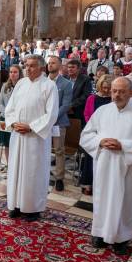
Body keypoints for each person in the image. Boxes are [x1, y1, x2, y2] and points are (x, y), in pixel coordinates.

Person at [79, 77, 132, 255]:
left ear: (131, 93)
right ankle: (100, 233)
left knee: (125, 200)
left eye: (121, 91)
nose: (117, 95)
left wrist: (123, 145)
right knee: (102, 198)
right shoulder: (102, 111)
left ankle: (122, 237)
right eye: (114, 91)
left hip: (127, 167)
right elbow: (86, 135)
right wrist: (100, 141)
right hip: (104, 164)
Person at [4, 55, 59, 222]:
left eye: (32, 66)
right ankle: (15, 204)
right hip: (18, 135)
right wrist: (13, 123)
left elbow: (51, 114)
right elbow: (10, 108)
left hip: (35, 138)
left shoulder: (49, 86)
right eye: (26, 66)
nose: (28, 69)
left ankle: (32, 208)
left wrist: (31, 127)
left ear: (41, 68)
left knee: (33, 172)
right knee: (16, 169)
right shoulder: (21, 84)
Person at [80, 74, 114, 195]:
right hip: (94, 133)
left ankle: (102, 185)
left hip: (109, 133)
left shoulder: (113, 100)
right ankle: (89, 184)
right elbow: (87, 114)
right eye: (104, 87)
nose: (106, 90)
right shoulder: (92, 98)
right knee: (90, 159)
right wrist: (95, 128)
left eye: (109, 88)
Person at [48, 56, 73, 192]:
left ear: (60, 66)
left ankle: (59, 178)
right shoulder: (43, 82)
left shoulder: (66, 84)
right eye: (49, 63)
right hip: (42, 123)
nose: (50, 65)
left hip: (58, 122)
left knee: (59, 150)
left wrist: (52, 117)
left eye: (53, 63)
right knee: (42, 148)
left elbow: (66, 104)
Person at [0, 65, 22, 167]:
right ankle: (9, 165)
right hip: (4, 118)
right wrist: (6, 114)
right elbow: (0, 103)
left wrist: (14, 116)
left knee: (15, 143)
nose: (13, 74)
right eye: (11, 72)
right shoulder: (5, 86)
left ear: (20, 73)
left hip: (17, 119)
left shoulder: (23, 86)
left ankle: (16, 166)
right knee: (6, 143)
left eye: (15, 72)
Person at [66, 59, 91, 124]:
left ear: (78, 69)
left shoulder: (85, 79)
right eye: (69, 67)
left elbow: (85, 96)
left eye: (73, 67)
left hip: (77, 111)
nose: (70, 69)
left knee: (75, 132)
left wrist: (71, 105)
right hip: (64, 111)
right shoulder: (64, 78)